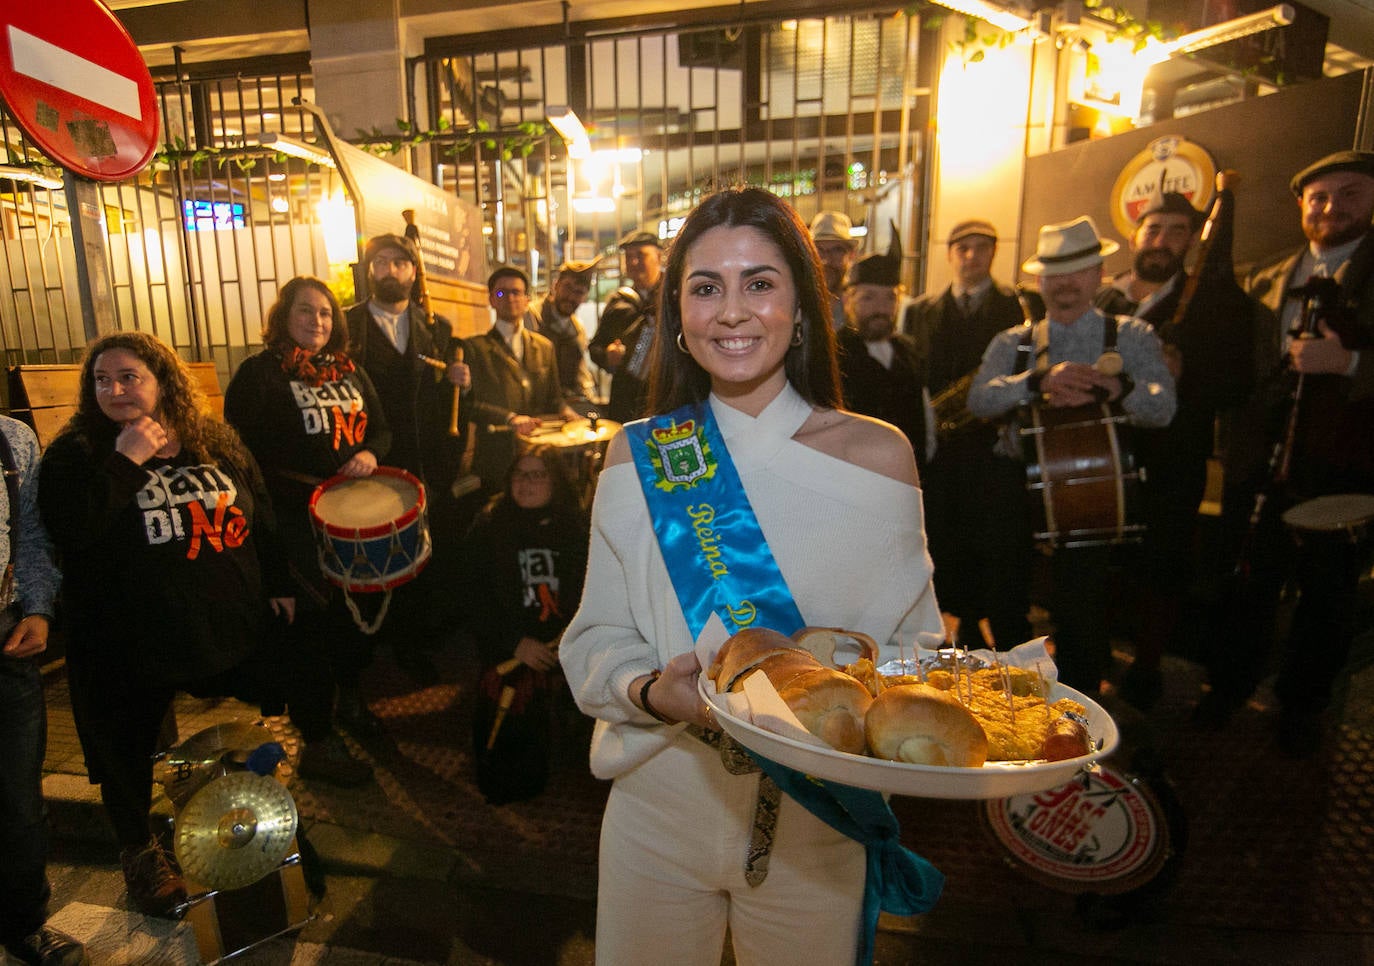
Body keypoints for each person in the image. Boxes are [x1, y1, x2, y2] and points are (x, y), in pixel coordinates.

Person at [560, 186, 944, 965]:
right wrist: (647, 692)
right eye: (706, 287)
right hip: (658, 808)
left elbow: (916, 653)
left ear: (802, 306)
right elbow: (595, 637)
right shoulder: (643, 454)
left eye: (760, 283)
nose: (731, 311)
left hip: (816, 826)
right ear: (678, 315)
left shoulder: (879, 456)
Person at [36, 332, 311, 918]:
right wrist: (125, 459)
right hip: (128, 634)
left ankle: (268, 810)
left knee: (299, 670)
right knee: (124, 742)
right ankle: (140, 853)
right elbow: (72, 531)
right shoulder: (76, 453)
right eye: (101, 380)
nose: (113, 389)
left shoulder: (210, 438)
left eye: (129, 376)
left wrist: (280, 581)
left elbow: (255, 504)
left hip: (219, 619)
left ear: (162, 380)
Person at [1199, 149, 1374, 755]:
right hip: (1262, 462)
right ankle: (1228, 686)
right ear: (1301, 205)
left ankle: (1302, 707)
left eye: (1350, 194)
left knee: (1328, 595)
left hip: (1344, 465)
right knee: (1249, 579)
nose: (1332, 207)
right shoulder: (1263, 277)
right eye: (1320, 197)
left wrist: (1350, 363)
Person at [967, 216, 1176, 696]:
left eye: (1078, 270)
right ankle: (1011, 694)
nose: (1065, 283)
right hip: (1014, 481)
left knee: (1083, 604)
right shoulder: (1011, 341)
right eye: (1054, 273)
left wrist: (1117, 387)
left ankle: (1078, 706)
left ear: (1099, 274)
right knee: (1004, 596)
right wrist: (1035, 383)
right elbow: (980, 400)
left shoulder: (1133, 335)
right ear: (1040, 281)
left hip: (1091, 491)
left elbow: (1163, 407)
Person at [224, 275, 394, 769]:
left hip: (353, 516)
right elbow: (240, 455)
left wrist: (368, 451)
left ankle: (350, 698)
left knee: (352, 617)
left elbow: (383, 431)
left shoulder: (351, 371)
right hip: (292, 520)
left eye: (325, 313)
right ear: (284, 316)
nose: (317, 321)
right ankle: (316, 735)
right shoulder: (259, 375)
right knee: (308, 629)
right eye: (305, 311)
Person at [1095, 189, 1256, 709]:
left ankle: (1146, 666)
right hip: (1107, 454)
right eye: (1153, 229)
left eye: (1176, 231)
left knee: (1162, 565)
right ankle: (1094, 652)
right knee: (1103, 563)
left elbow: (1239, 387)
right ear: (1134, 235)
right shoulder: (1106, 300)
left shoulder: (1219, 304)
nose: (1162, 241)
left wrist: (1189, 374)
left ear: (1191, 241)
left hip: (1173, 461)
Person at [344, 233, 469, 680]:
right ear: (369, 270)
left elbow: (451, 402)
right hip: (369, 463)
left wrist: (460, 381)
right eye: (382, 263)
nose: (391, 271)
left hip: (424, 462)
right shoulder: (347, 326)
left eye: (401, 263)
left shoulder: (438, 329)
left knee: (420, 558)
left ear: (414, 273)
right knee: (375, 555)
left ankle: (413, 643)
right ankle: (368, 644)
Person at [903, 220, 1032, 649]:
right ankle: (955, 621)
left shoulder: (1017, 306)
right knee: (945, 537)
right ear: (949, 253)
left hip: (993, 445)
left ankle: (989, 623)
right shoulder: (921, 310)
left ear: (994, 253)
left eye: (981, 248)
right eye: (963, 248)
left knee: (993, 539)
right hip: (943, 447)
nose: (971, 257)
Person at [0, 414, 87, 965]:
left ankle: (25, 922)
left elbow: (30, 532)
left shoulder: (12, 439)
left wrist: (36, 607)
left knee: (17, 797)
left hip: (4, 635)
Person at [459, 444, 589, 804]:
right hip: (508, 652)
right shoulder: (489, 525)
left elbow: (591, 589)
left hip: (562, 646)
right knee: (507, 759)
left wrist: (571, 636)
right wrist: (515, 642)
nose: (527, 483)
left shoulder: (575, 528)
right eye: (520, 474)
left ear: (555, 482)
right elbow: (471, 596)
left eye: (538, 474)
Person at [463, 266, 578, 493]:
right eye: (501, 293)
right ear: (491, 301)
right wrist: (509, 418)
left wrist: (567, 411)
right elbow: (469, 405)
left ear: (527, 300)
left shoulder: (544, 347)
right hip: (496, 457)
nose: (510, 298)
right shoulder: (474, 348)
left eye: (517, 292)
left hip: (538, 456)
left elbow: (554, 399)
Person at [835, 233, 929, 469]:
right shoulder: (832, 354)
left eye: (889, 298)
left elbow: (925, 420)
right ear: (848, 301)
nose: (881, 309)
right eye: (869, 298)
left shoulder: (908, 351)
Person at [588, 228, 664, 423]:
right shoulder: (618, 302)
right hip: (628, 397)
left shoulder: (675, 296)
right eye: (628, 257)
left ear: (659, 257)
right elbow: (595, 346)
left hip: (668, 392)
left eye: (641, 255)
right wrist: (608, 355)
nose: (633, 262)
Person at [527, 257, 602, 415]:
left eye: (579, 292)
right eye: (567, 288)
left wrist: (588, 394)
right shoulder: (531, 316)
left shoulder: (577, 328)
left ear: (585, 297)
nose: (571, 297)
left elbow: (580, 372)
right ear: (556, 285)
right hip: (536, 406)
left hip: (569, 406)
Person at [809, 210, 858, 330]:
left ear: (851, 255)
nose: (826, 260)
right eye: (819, 250)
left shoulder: (859, 303)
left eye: (837, 250)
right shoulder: (794, 301)